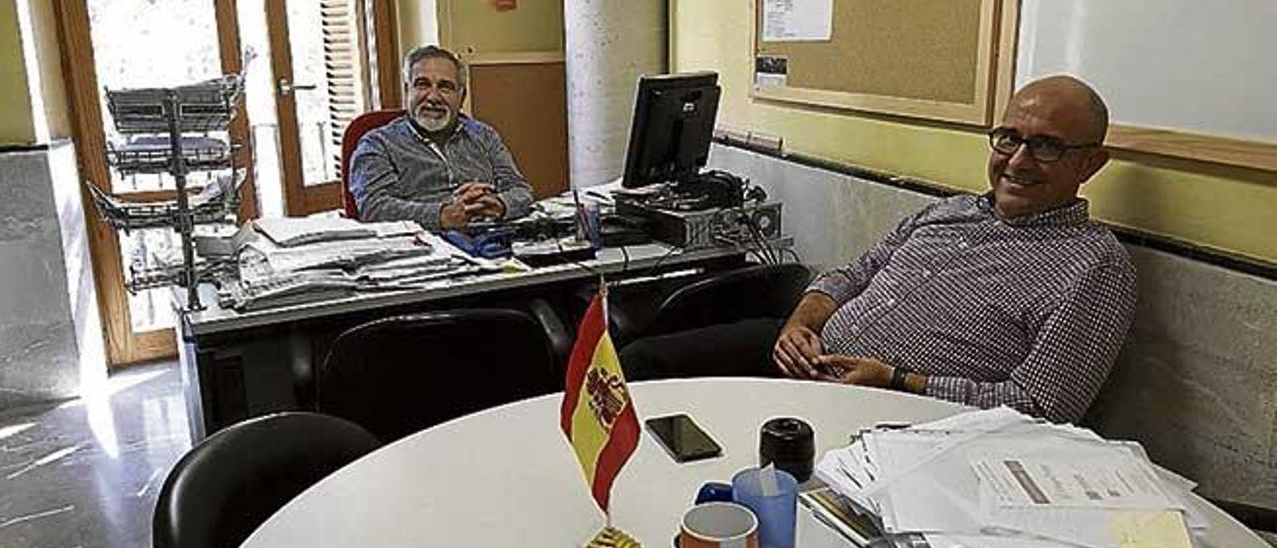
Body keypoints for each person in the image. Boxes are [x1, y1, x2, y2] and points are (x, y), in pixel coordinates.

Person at [620, 75, 1137, 424]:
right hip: (806, 356)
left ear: (1091, 163)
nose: (1018, 160)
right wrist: (802, 321)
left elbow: (1041, 408)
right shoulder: (949, 210)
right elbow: (853, 273)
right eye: (1008, 138)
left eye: (1045, 145)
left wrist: (899, 381)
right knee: (641, 362)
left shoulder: (1094, 266)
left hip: (895, 414)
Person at [349, 45, 534, 230]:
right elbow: (374, 209)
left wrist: (498, 203)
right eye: (423, 85)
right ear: (407, 90)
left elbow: (521, 190)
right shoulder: (377, 144)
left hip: (493, 239)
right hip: (424, 247)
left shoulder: (483, 135)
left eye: (445, 87)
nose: (433, 97)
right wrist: (442, 215)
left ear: (461, 97)